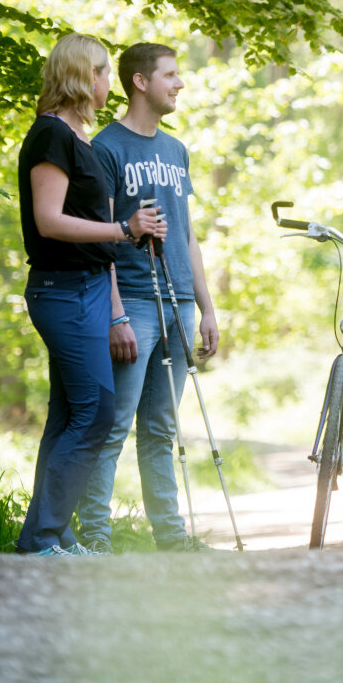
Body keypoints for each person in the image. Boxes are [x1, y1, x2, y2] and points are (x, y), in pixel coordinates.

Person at [16, 33, 167, 556]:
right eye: (102, 72)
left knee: (69, 416)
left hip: (90, 290)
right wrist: (124, 230)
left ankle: (50, 533)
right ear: (84, 76)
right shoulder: (50, 137)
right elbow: (49, 221)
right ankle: (42, 537)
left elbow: (96, 232)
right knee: (98, 412)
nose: (109, 82)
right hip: (60, 291)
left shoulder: (83, 142)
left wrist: (115, 302)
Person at [76, 42, 221, 554]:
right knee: (113, 425)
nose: (180, 84)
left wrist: (206, 306)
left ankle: (172, 538)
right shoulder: (105, 148)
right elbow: (99, 235)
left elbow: (187, 234)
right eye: (171, 75)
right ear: (141, 82)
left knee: (161, 428)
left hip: (179, 303)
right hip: (132, 302)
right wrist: (114, 313)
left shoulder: (176, 150)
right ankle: (95, 537)